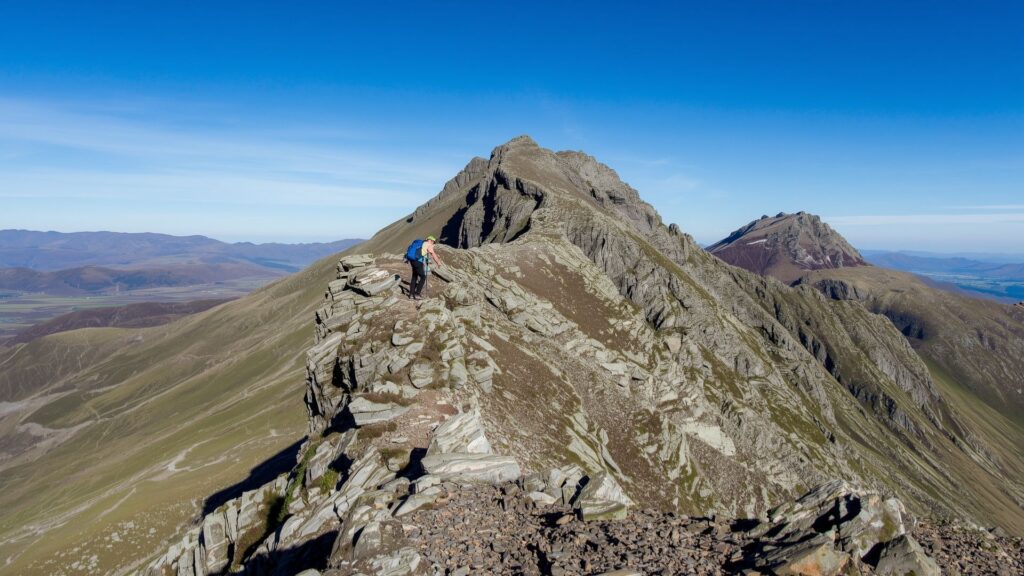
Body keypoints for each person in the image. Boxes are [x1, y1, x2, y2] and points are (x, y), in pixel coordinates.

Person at [408, 235, 444, 300]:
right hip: (418, 262)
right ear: (430, 240)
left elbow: (423, 255)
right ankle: (417, 294)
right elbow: (433, 254)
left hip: (412, 260)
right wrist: (438, 263)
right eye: (433, 242)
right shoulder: (428, 244)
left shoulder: (422, 243)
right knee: (423, 277)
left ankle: (411, 294)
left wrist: (426, 261)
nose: (433, 243)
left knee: (414, 277)